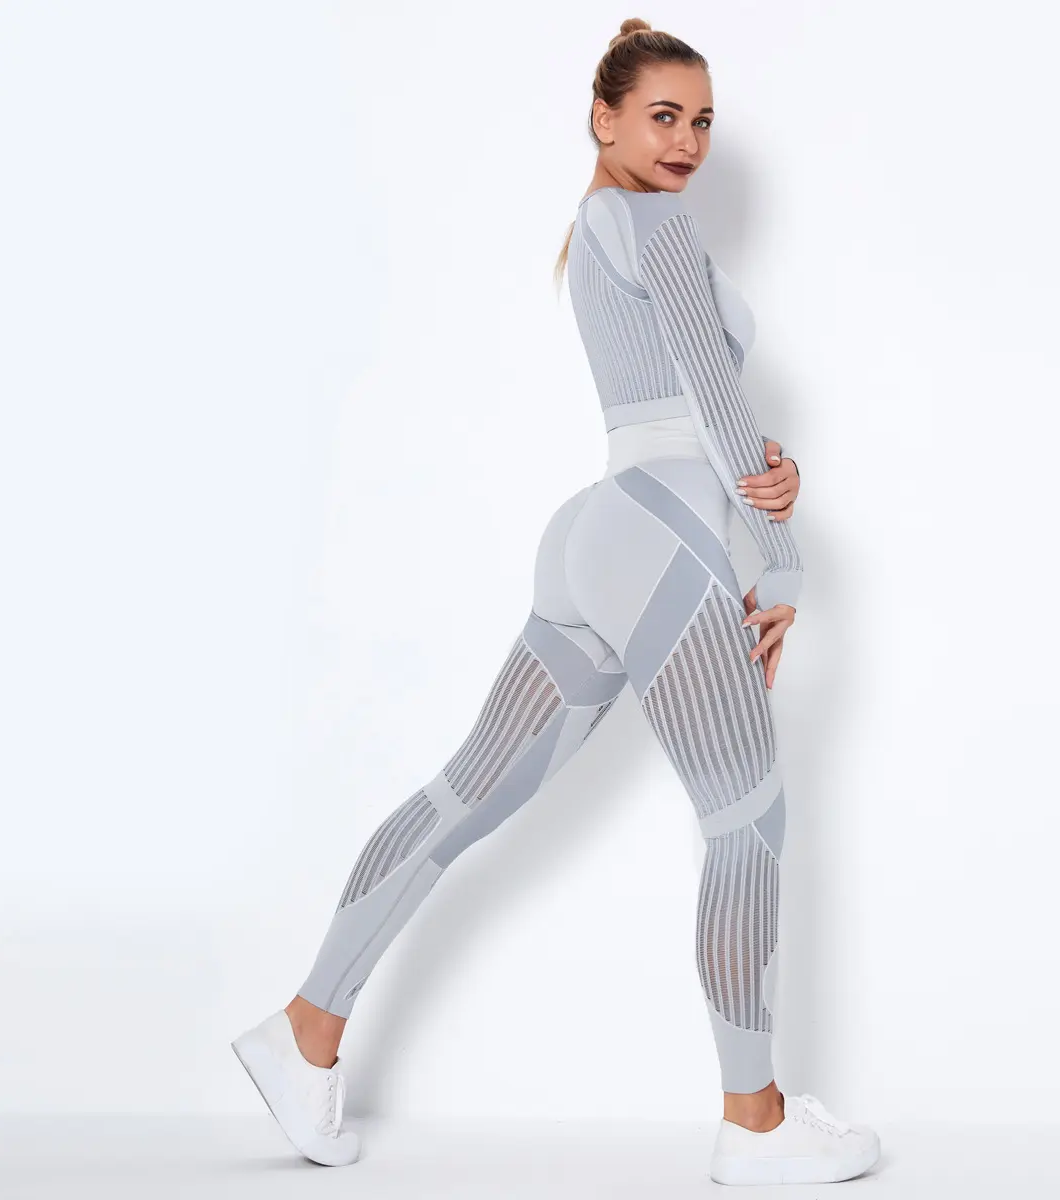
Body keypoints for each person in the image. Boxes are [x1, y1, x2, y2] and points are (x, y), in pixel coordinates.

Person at [231, 16, 881, 1187]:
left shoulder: (593, 230)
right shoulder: (654, 222)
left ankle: (304, 1029)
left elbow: (680, 404)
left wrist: (763, 463)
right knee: (746, 820)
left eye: (703, 122)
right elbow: (709, 390)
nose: (686, 143)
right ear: (604, 117)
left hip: (600, 534)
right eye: (662, 116)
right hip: (668, 539)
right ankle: (757, 1123)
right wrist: (779, 556)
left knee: (466, 792)